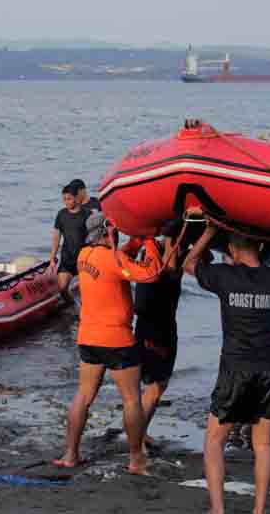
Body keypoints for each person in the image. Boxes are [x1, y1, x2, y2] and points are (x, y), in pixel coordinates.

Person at [183, 213, 270, 514]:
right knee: (263, 445)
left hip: (234, 368)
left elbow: (189, 265)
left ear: (232, 251)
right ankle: (259, 510)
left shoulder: (224, 276)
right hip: (269, 369)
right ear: (259, 247)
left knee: (214, 442)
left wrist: (207, 232)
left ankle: (218, 510)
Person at [55, 211, 162, 475]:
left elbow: (117, 259)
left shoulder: (84, 255)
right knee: (131, 400)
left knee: (83, 396)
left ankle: (70, 454)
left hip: (88, 338)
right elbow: (149, 274)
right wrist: (149, 242)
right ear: (107, 232)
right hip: (117, 339)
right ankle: (136, 460)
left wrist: (134, 243)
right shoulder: (113, 258)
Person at [134, 219, 186, 452]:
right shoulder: (155, 262)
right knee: (153, 389)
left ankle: (141, 433)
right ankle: (135, 441)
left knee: (160, 385)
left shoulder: (164, 256)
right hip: (153, 330)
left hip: (165, 328)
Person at [50, 184, 90, 303]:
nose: (66, 202)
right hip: (67, 258)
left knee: (86, 292)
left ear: (77, 198)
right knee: (62, 289)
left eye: (69, 199)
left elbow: (94, 237)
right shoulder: (61, 214)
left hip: (83, 259)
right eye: (64, 199)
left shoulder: (87, 214)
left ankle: (85, 313)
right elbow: (56, 236)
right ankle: (73, 306)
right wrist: (53, 256)